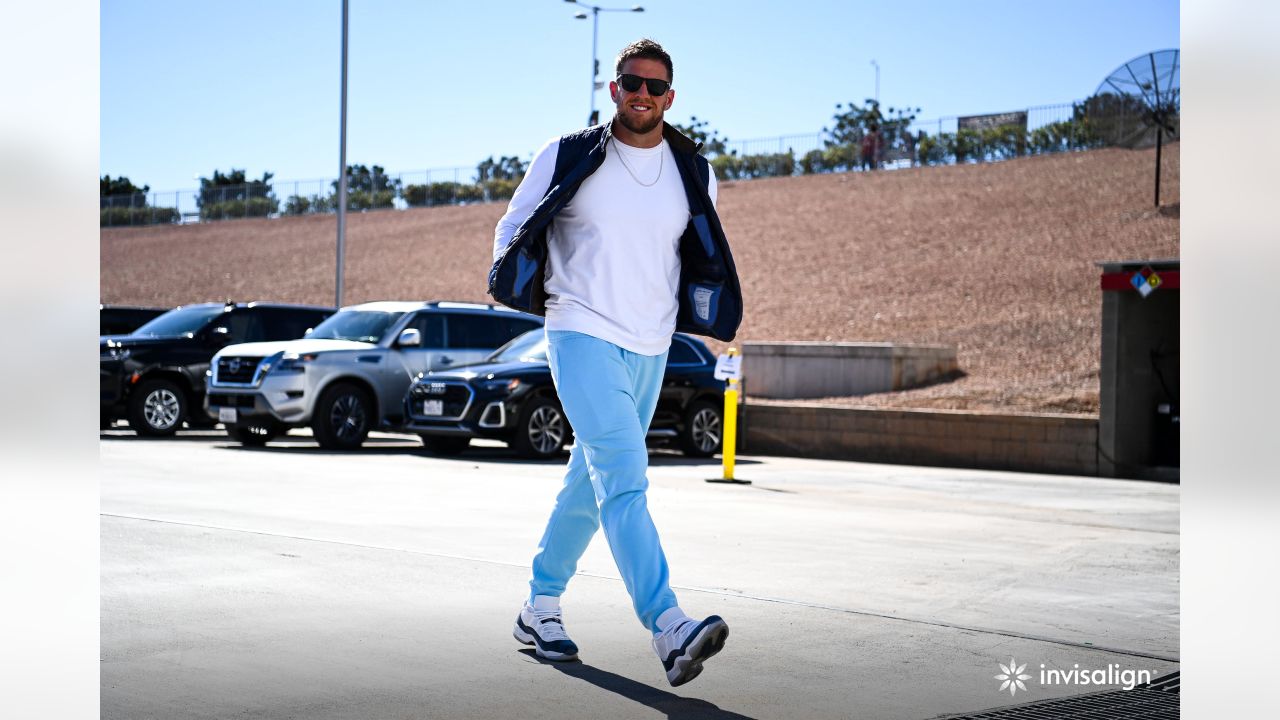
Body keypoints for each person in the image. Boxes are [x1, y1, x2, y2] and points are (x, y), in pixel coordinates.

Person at [488, 38, 743, 687]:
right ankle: (668, 624)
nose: (643, 96)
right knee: (625, 475)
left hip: (651, 344)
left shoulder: (693, 170)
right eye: (632, 83)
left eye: (655, 88)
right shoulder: (570, 155)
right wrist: (548, 294)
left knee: (589, 480)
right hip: (579, 331)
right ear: (614, 89)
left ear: (671, 98)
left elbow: (697, 252)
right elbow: (512, 229)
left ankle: (539, 605)